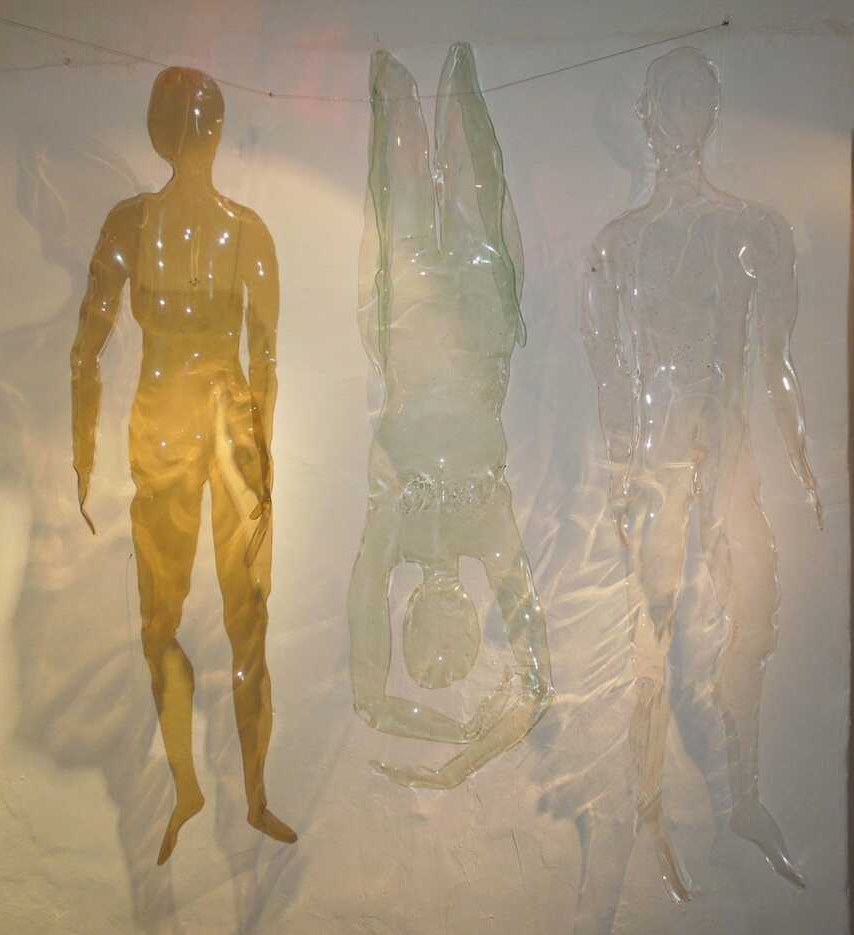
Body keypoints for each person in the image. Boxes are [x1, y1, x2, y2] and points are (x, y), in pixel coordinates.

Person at [582, 46, 821, 900]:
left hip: (728, 462)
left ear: (711, 113)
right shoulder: (618, 246)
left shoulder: (753, 232)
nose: (682, 116)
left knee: (752, 618)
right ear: (647, 117)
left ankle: (743, 798)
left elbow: (777, 362)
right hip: (657, 471)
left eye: (696, 99)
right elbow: (612, 381)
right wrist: (620, 478)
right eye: (669, 100)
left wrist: (803, 456)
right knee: (652, 639)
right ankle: (648, 812)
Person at [71, 67, 295, 865]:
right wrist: (263, 467)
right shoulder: (246, 231)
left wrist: (81, 451)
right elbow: (265, 362)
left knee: (169, 620)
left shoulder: (131, 222)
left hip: (172, 425)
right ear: (219, 131)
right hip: (224, 429)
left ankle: (204, 789)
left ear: (157, 133)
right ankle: (240, 795)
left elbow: (87, 345)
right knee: (239, 618)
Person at [349, 43, 553, 789]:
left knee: (399, 151)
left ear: (407, 622)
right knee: (469, 157)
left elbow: (370, 698)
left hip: (409, 324)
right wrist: (460, 759)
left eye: (425, 647)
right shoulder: (487, 531)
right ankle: (450, 69)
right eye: (460, 648)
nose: (446, 635)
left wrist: (449, 746)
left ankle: (395, 74)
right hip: (477, 330)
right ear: (474, 621)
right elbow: (538, 682)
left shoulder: (393, 533)